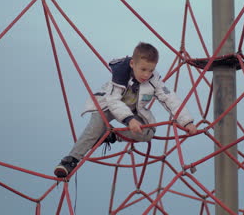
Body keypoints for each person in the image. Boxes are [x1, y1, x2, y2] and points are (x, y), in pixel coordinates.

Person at [54, 42, 197, 178]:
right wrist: (129, 120)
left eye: (151, 70)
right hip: (109, 105)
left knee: (147, 132)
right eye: (143, 69)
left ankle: (112, 136)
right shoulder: (121, 74)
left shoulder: (154, 80)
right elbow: (113, 101)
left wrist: (186, 122)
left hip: (133, 109)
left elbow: (170, 99)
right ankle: (71, 160)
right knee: (96, 125)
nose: (146, 74)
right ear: (132, 64)